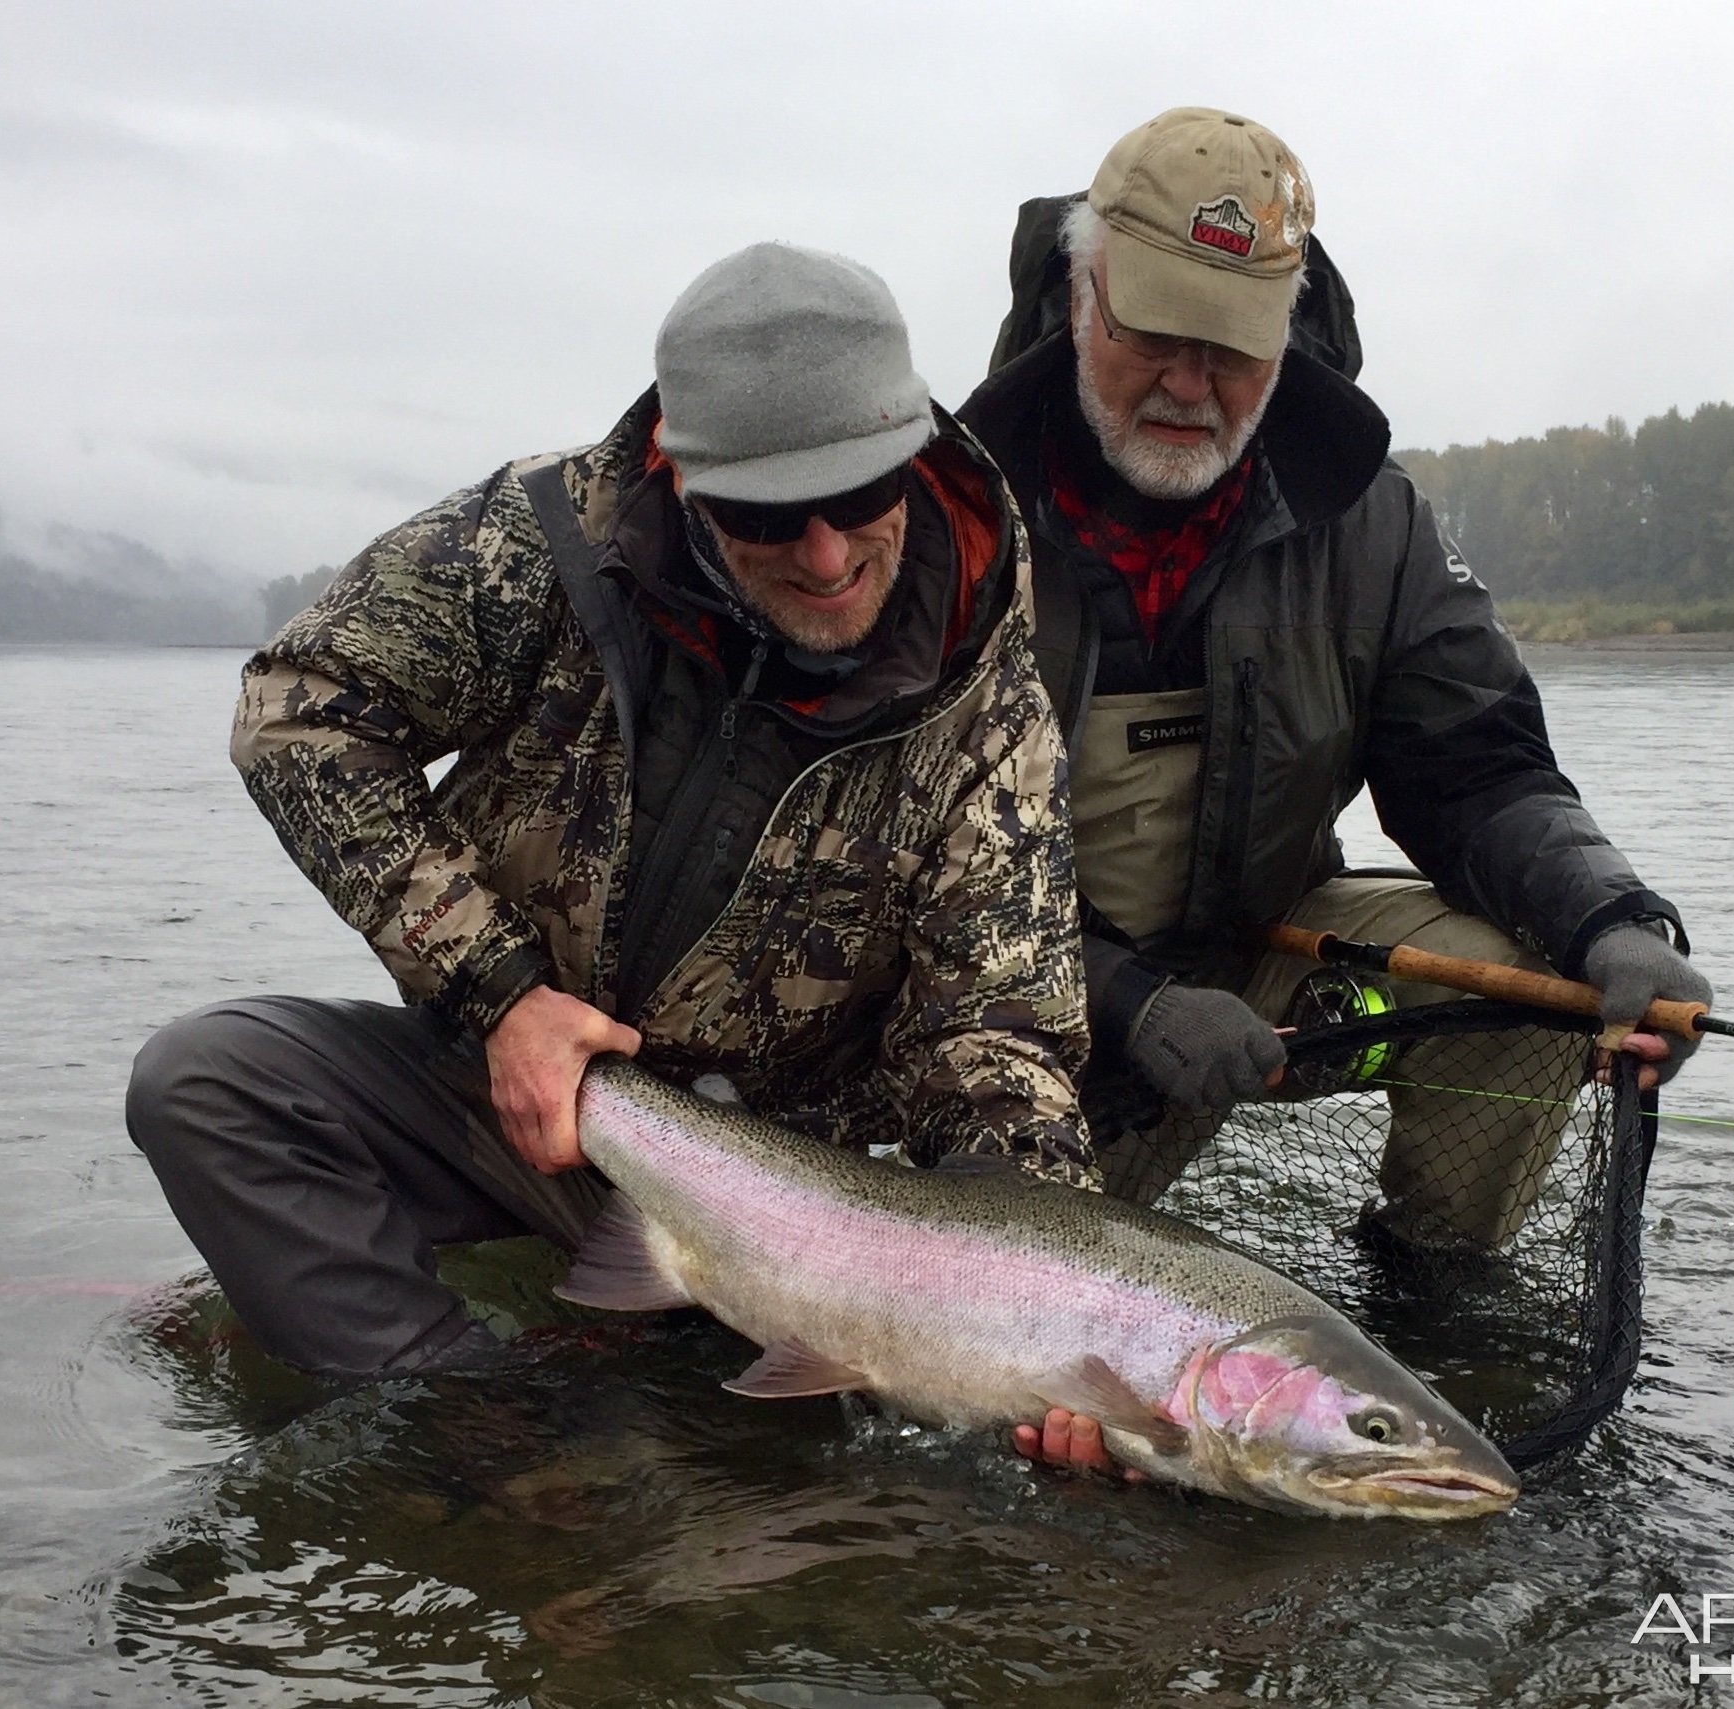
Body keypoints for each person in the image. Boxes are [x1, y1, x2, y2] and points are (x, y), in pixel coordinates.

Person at [126, 242, 1092, 1382]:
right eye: (769, 514)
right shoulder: (535, 547)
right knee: (207, 1081)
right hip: (511, 1094)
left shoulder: (990, 699)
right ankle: (469, 1422)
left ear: (913, 453)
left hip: (787, 1194)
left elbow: (998, 1032)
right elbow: (299, 708)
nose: (827, 554)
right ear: (684, 478)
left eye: (858, 496)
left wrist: (1047, 1329)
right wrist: (501, 994)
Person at [960, 107, 1712, 1247]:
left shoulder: (1372, 518)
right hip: (1019, 998)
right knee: (1009, 1349)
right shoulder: (946, 516)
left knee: (1526, 979)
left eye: (1231, 345)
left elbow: (1476, 767)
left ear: (1286, 329)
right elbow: (900, 873)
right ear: (1081, 294)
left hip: (1259, 958)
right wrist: (1129, 1002)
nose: (1188, 380)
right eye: (1156, 329)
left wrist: (1610, 916)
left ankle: (1431, 1299)